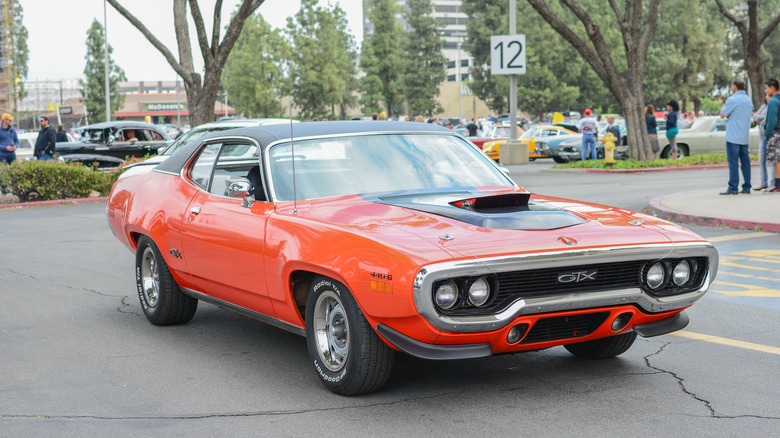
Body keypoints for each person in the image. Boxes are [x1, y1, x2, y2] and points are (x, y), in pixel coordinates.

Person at [719, 78, 753, 195]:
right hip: (744, 136)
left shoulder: (732, 99)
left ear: (734, 87)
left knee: (733, 163)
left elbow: (723, 115)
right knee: (745, 162)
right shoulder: (748, 101)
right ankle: (747, 186)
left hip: (733, 136)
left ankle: (733, 187)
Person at [753, 93, 775, 191]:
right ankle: (763, 182)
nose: (767, 97)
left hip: (771, 136)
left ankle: (773, 183)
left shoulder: (774, 107)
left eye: (769, 95)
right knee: (761, 160)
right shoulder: (763, 106)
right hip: (762, 136)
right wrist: (759, 117)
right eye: (766, 95)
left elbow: (767, 119)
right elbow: (755, 117)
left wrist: (759, 117)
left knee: (773, 161)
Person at [763, 78, 780, 192]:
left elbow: (772, 120)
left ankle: (777, 185)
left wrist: (767, 134)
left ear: (772, 88)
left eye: (767, 88)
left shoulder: (773, 101)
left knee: (776, 161)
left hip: (775, 134)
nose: (766, 91)